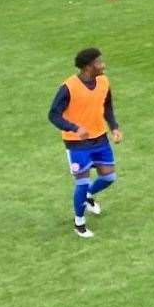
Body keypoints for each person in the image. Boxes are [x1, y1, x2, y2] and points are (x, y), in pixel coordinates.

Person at [48, 46, 123, 239]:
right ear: (88, 67)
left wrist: (114, 127)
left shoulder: (104, 81)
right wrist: (75, 128)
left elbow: (107, 106)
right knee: (81, 182)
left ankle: (88, 196)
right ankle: (79, 223)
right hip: (77, 144)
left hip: (100, 138)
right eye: (99, 62)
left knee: (109, 177)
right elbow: (53, 114)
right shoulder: (69, 87)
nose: (103, 65)